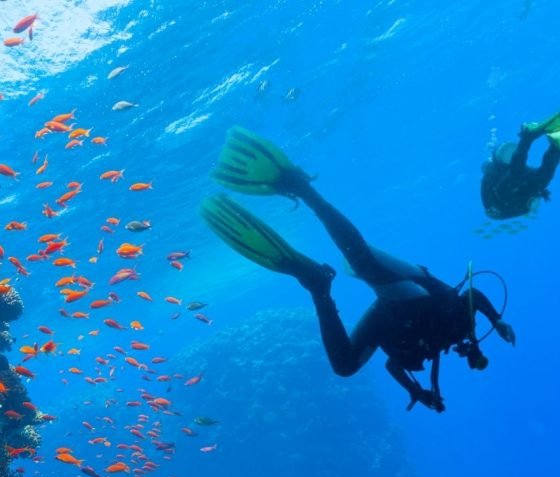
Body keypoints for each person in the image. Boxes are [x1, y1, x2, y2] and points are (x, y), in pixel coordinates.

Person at [202, 127, 516, 412]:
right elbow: (473, 291)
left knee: (345, 365)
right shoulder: (463, 325)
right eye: (473, 356)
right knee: (362, 260)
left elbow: (392, 366)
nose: (465, 354)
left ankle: (316, 284)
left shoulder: (430, 352)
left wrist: (417, 391)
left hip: (392, 312)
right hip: (419, 289)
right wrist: (497, 320)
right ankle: (301, 187)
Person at [481, 113, 560, 219]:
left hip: (503, 191)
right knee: (544, 178)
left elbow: (489, 186)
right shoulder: (525, 201)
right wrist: (541, 192)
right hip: (520, 187)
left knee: (516, 176)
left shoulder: (496, 204)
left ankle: (527, 136)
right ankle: (555, 147)